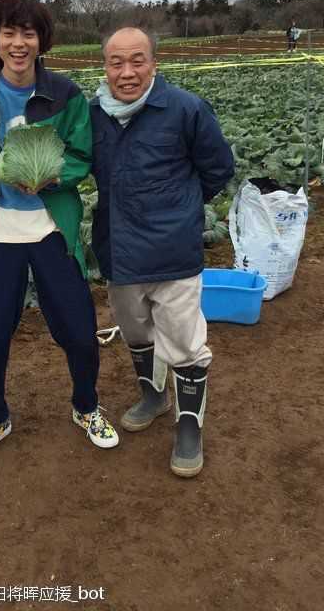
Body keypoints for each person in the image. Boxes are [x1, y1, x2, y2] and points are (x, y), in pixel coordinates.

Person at [0, 0, 118, 460]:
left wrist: (53, 177)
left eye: (28, 33)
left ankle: (86, 405)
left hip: (51, 230)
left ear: (42, 40)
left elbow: (82, 157)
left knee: (80, 332)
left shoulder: (66, 95)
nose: (18, 43)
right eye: (8, 32)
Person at [89, 27, 234, 478]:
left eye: (137, 61)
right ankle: (153, 396)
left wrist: (180, 211)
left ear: (154, 63)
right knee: (136, 331)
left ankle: (188, 426)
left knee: (186, 343)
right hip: (118, 250)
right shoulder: (93, 113)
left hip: (172, 253)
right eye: (117, 62)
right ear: (105, 66)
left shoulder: (185, 109)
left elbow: (218, 170)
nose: (127, 72)